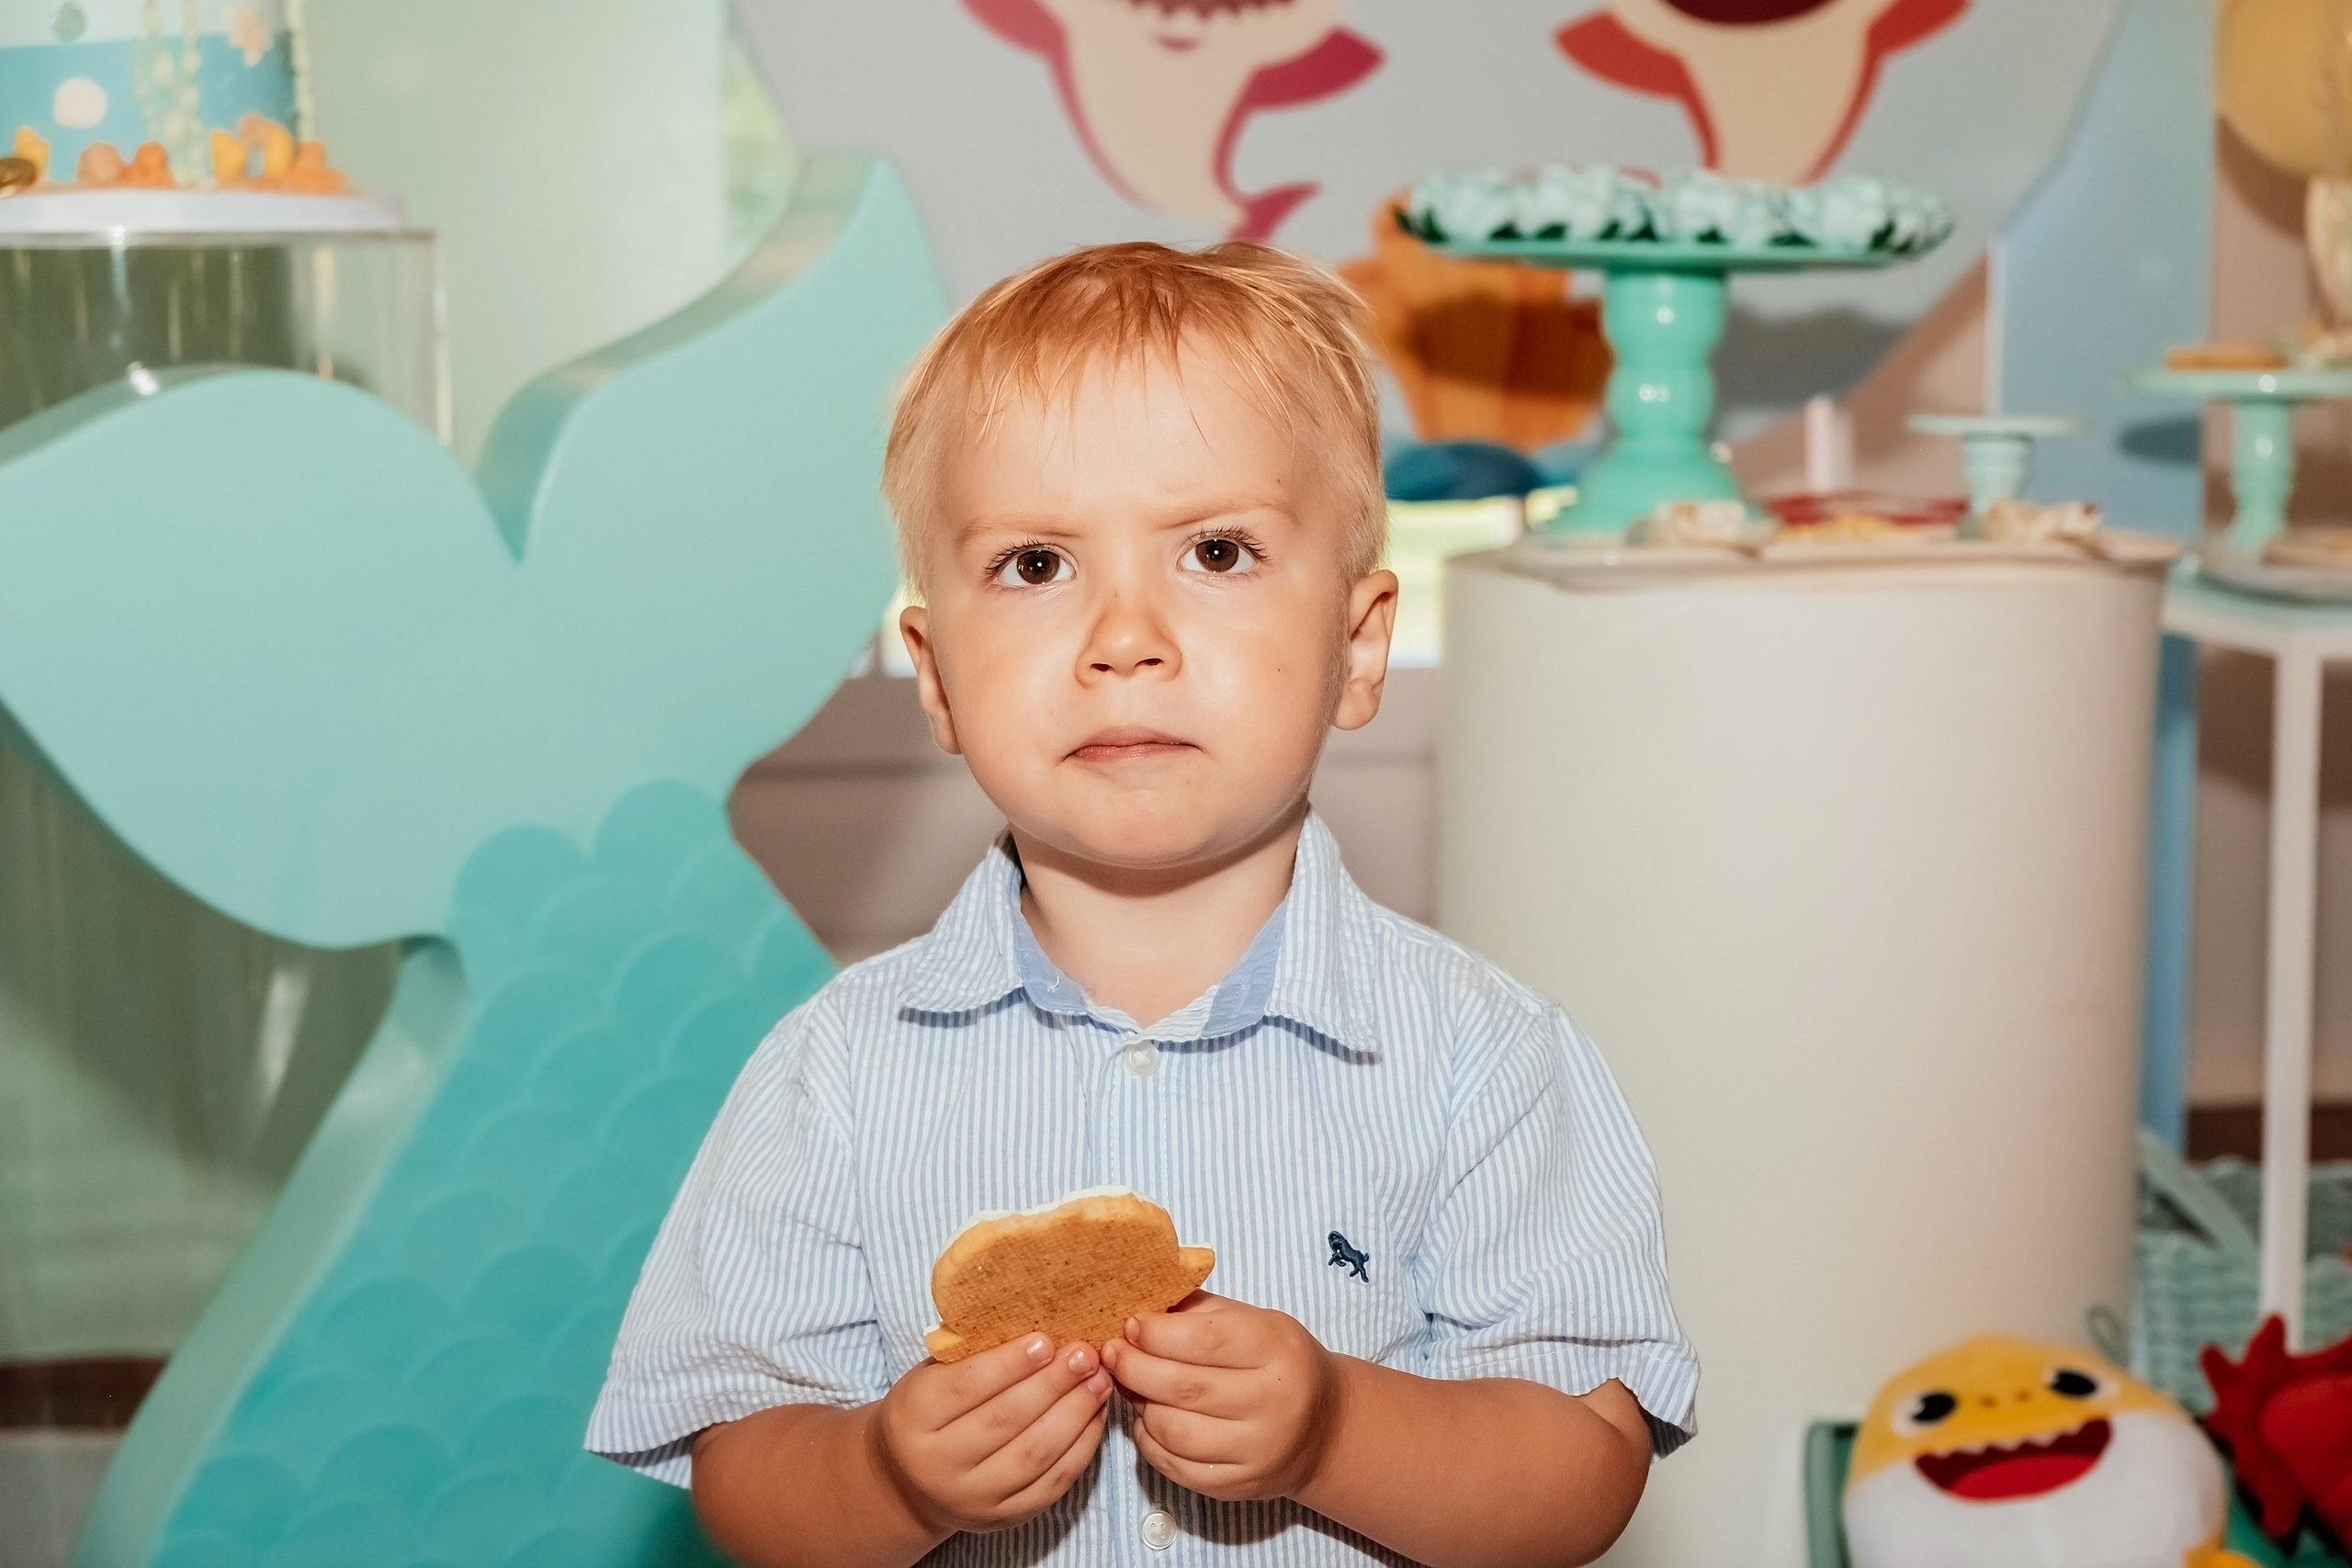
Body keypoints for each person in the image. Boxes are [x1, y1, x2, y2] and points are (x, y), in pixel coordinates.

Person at [585, 241, 1696, 1568]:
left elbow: (1579, 1471)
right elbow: (742, 1470)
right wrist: (888, 1472)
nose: (1124, 635)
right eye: (1036, 566)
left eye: (1216, 551)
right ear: (935, 675)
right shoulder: (836, 1073)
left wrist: (1339, 1429)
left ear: (1357, 645)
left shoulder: (1484, 1059)